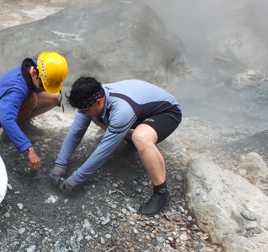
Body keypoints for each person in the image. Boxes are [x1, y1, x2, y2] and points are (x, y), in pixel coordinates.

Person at [50, 76, 182, 216]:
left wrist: (77, 177)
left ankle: (161, 193)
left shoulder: (122, 108)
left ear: (99, 102)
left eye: (83, 110)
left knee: (140, 137)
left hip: (166, 113)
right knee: (96, 119)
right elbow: (76, 132)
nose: (82, 113)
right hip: (140, 112)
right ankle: (132, 141)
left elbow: (105, 149)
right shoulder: (91, 100)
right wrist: (60, 163)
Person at [0, 52, 68, 171]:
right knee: (31, 99)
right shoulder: (16, 89)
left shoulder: (39, 67)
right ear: (34, 73)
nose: (44, 90)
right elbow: (7, 120)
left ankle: (22, 123)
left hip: (12, 103)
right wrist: (30, 150)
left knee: (54, 97)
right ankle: (7, 134)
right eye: (43, 86)